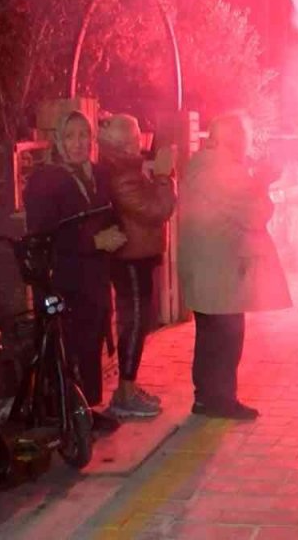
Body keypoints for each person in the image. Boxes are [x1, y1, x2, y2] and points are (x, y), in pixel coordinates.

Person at [179, 112, 292, 420]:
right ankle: (220, 399)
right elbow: (255, 213)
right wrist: (263, 184)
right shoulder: (222, 170)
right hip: (219, 269)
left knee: (210, 335)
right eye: (244, 137)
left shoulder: (202, 166)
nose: (247, 144)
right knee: (227, 336)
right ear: (234, 139)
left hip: (209, 267)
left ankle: (207, 398)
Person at [24, 110, 126, 433]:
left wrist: (116, 234)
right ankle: (63, 413)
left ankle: (86, 410)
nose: (79, 143)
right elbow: (44, 232)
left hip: (93, 276)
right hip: (63, 278)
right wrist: (93, 241)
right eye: (71, 136)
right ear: (58, 141)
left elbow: (110, 212)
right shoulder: (46, 180)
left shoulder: (96, 174)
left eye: (84, 135)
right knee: (66, 344)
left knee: (89, 343)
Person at [98, 115, 176, 419]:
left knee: (138, 322)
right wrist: (162, 176)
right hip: (130, 258)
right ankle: (125, 393)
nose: (140, 142)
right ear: (120, 143)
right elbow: (157, 209)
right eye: (133, 138)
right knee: (134, 323)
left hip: (136, 255)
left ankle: (128, 388)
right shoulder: (122, 175)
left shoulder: (124, 169)